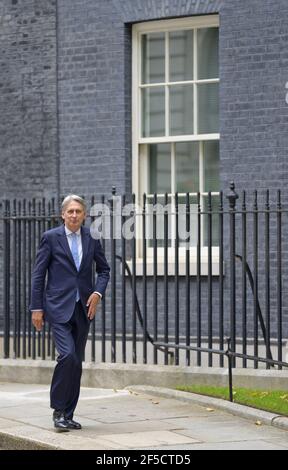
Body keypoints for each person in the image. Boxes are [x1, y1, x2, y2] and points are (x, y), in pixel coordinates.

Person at [30, 195, 110, 432]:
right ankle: (58, 410)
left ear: (84, 215)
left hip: (84, 308)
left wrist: (98, 293)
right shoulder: (51, 238)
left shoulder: (92, 237)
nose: (74, 215)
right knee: (68, 356)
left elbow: (104, 270)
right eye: (70, 211)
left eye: (78, 211)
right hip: (57, 307)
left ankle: (68, 413)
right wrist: (37, 308)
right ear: (62, 214)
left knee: (77, 362)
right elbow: (38, 275)